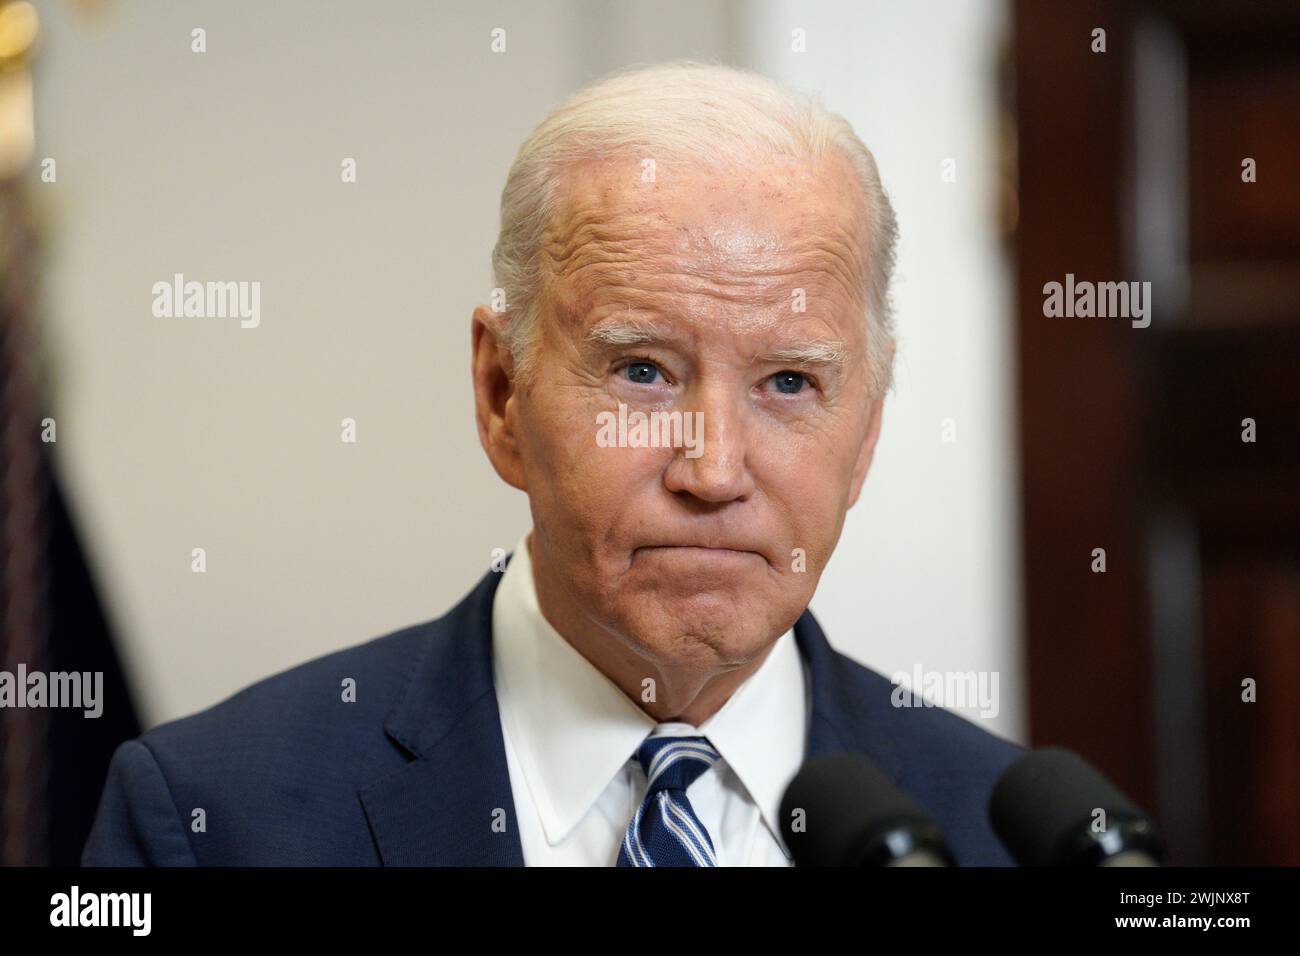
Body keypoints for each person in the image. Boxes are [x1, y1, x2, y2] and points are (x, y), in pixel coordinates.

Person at [84, 61, 1020, 867]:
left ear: (865, 439)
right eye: (643, 371)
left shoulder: (1000, 833)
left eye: (787, 382)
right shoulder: (213, 821)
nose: (715, 471)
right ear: (502, 395)